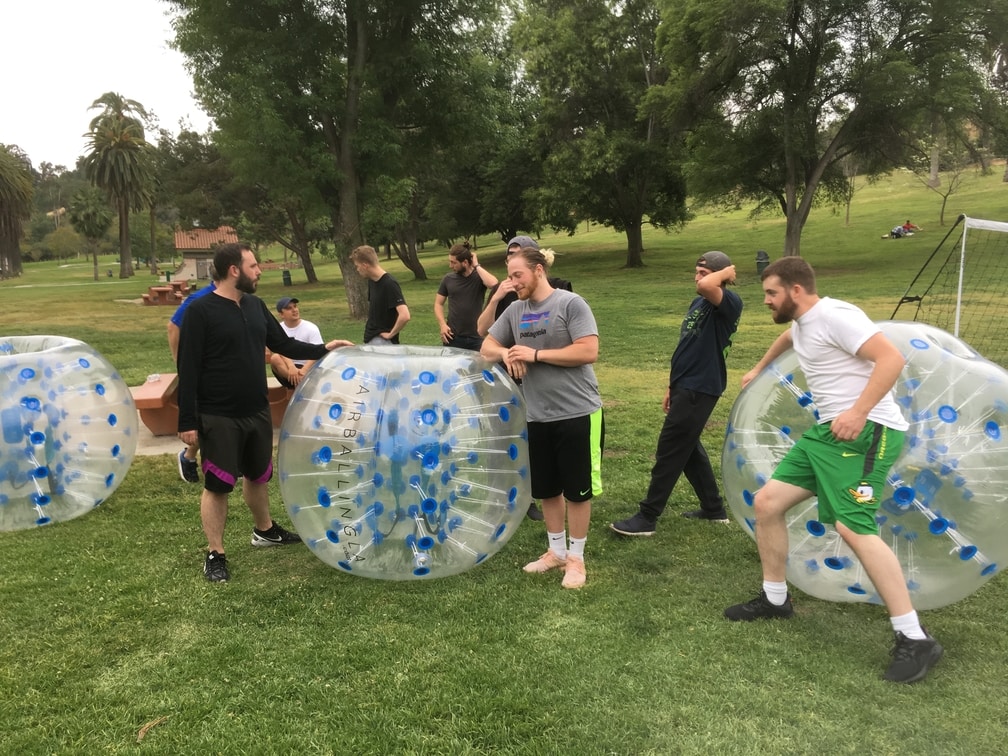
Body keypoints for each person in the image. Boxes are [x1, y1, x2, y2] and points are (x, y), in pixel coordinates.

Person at [723, 256, 943, 684]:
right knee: (768, 502)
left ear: (796, 291)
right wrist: (759, 367)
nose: (766, 301)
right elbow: (792, 337)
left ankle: (914, 637)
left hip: (867, 434)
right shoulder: (804, 322)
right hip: (828, 435)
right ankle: (775, 599)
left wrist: (859, 412)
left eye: (771, 293)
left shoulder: (837, 315)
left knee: (852, 526)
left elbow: (891, 359)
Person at [176, 242, 353, 583]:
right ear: (234, 270)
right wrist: (187, 422)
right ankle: (216, 553)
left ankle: (265, 530)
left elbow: (283, 344)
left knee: (259, 475)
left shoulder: (255, 306)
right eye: (254, 266)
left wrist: (323, 348)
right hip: (219, 414)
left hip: (255, 410)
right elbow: (189, 367)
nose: (259, 271)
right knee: (218, 484)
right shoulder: (201, 311)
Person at [481, 246, 603, 590]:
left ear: (538, 270)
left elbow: (588, 350)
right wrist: (508, 352)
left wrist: (534, 354)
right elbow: (486, 346)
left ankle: (577, 560)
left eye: (517, 275)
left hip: (577, 411)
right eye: (509, 276)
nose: (512, 282)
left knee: (577, 490)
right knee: (548, 489)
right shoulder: (516, 310)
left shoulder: (569, 304)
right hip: (536, 415)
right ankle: (556, 552)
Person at [610, 251, 742, 536]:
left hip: (701, 386)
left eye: (704, 273)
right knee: (688, 447)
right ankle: (713, 508)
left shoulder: (729, 302)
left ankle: (647, 517)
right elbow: (688, 345)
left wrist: (725, 273)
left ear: (721, 277)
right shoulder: (699, 303)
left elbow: (708, 287)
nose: (697, 279)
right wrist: (672, 385)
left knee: (670, 450)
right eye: (696, 272)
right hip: (685, 385)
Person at [477, 235, 572, 522]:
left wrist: (532, 355)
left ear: (535, 264)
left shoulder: (560, 292)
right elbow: (483, 332)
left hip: (547, 386)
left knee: (536, 444)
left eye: (518, 257)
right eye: (509, 257)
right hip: (509, 381)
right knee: (506, 437)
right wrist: (496, 295)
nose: (512, 271)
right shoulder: (508, 293)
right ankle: (506, 495)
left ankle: (532, 497)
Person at [167, 279, 216, 484]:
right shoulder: (199, 298)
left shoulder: (239, 297)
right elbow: (173, 326)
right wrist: (181, 362)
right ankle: (188, 456)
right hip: (203, 371)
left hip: (223, 368)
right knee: (207, 418)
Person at [476, 235, 572, 338]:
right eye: (511, 254)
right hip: (514, 352)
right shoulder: (502, 291)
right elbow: (482, 331)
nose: (514, 258)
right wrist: (495, 299)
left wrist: (536, 354)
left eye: (520, 254)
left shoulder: (560, 288)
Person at [434, 240, 498, 350]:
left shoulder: (479, 277)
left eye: (454, 262)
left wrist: (476, 265)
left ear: (465, 262)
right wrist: (442, 325)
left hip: (476, 336)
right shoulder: (448, 279)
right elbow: (438, 304)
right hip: (453, 336)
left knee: (477, 367)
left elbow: (494, 284)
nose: (450, 265)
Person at [349, 244, 411, 344]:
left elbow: (405, 316)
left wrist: (391, 334)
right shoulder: (372, 281)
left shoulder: (389, 284)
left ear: (365, 265)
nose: (357, 270)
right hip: (371, 338)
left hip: (382, 341)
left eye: (357, 266)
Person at [268, 297, 324, 389]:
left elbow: (318, 352)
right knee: (275, 358)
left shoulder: (310, 328)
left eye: (295, 306)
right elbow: (279, 349)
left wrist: (303, 371)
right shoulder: (279, 329)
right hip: (287, 370)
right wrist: (291, 366)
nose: (294, 310)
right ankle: (300, 382)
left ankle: (300, 381)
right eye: (289, 308)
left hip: (308, 368)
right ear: (281, 314)